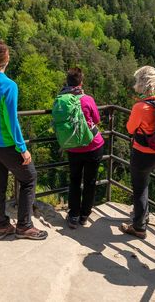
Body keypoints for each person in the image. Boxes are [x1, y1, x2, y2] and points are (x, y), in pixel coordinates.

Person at [0, 40, 48, 241]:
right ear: (5, 60)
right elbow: (11, 119)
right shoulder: (9, 86)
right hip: (7, 144)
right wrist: (22, 148)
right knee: (29, 178)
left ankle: (1, 226)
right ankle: (24, 226)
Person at [120, 66, 155, 239]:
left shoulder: (141, 107)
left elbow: (130, 128)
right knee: (145, 185)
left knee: (140, 189)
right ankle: (144, 215)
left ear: (141, 83)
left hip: (143, 154)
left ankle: (139, 227)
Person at [62, 68, 105, 229]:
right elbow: (97, 119)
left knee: (74, 181)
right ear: (81, 83)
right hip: (93, 146)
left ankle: (73, 215)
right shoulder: (87, 100)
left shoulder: (63, 99)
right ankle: (84, 215)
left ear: (67, 82)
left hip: (73, 147)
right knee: (90, 181)